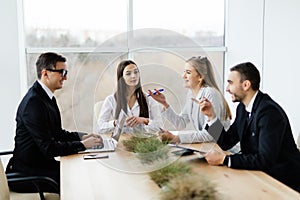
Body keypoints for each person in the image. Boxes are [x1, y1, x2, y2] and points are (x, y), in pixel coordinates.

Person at [6, 52, 103, 193]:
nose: (65, 77)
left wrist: (83, 137)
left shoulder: (47, 97)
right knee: (82, 180)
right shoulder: (33, 103)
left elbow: (57, 133)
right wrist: (82, 145)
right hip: (30, 174)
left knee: (86, 170)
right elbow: (49, 148)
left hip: (41, 167)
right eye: (61, 72)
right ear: (45, 73)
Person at [201, 62, 300, 192]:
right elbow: (226, 142)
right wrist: (211, 117)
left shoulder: (269, 112)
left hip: (283, 182)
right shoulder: (242, 108)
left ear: (246, 85)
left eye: (230, 83)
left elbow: (265, 159)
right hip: (260, 174)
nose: (227, 88)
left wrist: (224, 159)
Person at [149, 56, 232, 144]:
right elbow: (181, 123)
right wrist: (164, 103)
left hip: (222, 147)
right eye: (184, 72)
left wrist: (176, 138)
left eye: (188, 72)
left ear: (200, 77)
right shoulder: (191, 94)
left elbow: (211, 134)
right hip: (209, 145)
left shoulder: (210, 94)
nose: (183, 76)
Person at [96, 60, 163, 134]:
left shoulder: (149, 99)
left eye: (136, 72)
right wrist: (118, 123)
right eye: (128, 74)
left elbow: (160, 127)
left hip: (143, 142)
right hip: (121, 142)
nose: (133, 76)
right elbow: (100, 128)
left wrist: (145, 121)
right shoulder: (111, 100)